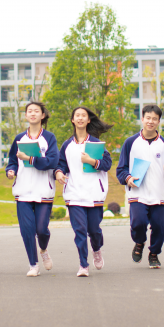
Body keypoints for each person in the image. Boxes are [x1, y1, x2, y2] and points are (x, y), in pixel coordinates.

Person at [116, 104, 164, 269]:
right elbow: (121, 169)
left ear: (159, 121)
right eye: (148, 118)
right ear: (142, 119)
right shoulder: (130, 143)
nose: (151, 122)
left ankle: (154, 254)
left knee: (161, 227)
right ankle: (139, 242)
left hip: (159, 193)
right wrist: (128, 178)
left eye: (155, 119)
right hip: (138, 193)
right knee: (138, 222)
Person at [55, 106, 113, 277]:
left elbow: (107, 164)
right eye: (77, 116)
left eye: (83, 116)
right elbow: (61, 164)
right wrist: (58, 172)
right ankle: (83, 265)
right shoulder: (67, 144)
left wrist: (92, 161)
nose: (80, 118)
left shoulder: (96, 143)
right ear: (72, 120)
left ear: (88, 120)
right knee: (80, 230)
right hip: (74, 194)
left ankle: (96, 249)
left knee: (94, 230)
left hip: (94, 193)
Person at [6, 101, 59, 276]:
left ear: (43, 115)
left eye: (37, 111)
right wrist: (11, 170)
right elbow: (12, 160)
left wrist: (30, 159)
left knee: (42, 229)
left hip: (43, 189)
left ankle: (43, 249)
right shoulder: (19, 138)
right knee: (27, 230)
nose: (33, 113)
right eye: (30, 111)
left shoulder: (49, 138)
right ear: (26, 115)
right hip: (23, 191)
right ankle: (33, 264)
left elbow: (51, 162)